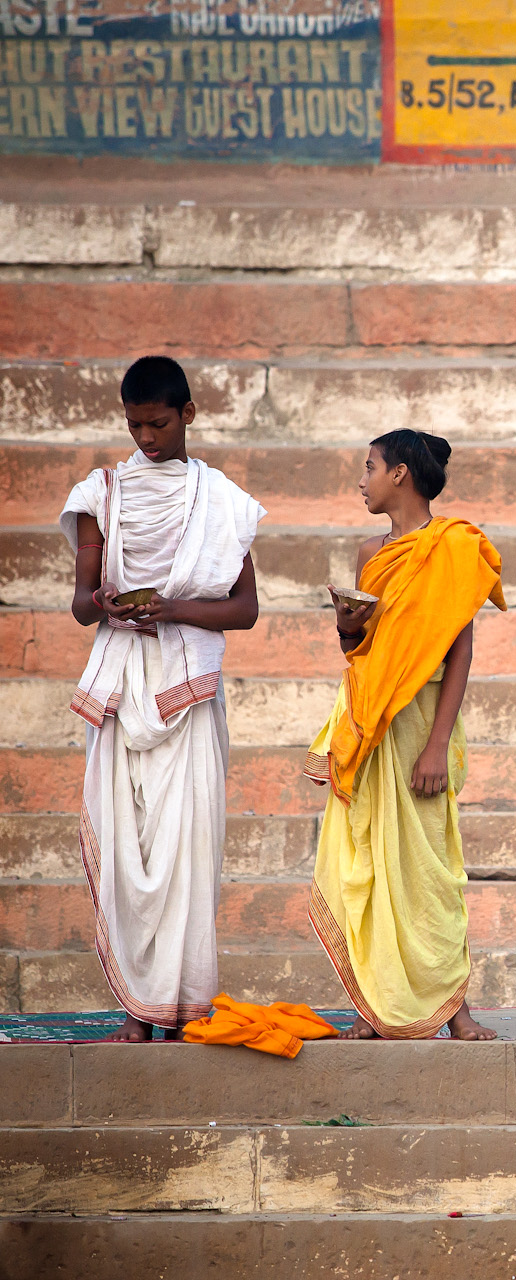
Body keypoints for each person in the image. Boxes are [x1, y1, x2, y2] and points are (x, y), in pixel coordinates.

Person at [61, 356, 265, 1042]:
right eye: (135, 425)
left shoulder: (223, 503)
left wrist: (174, 608)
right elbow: (82, 604)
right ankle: (137, 1013)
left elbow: (244, 610)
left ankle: (179, 1007)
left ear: (188, 416)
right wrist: (102, 600)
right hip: (123, 689)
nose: (147, 436)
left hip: (188, 693)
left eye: (158, 423)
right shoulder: (102, 493)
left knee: (184, 847)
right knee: (127, 847)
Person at [305, 429, 504, 1041]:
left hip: (421, 723)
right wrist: (346, 627)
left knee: (432, 869)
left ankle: (456, 1010)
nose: (360, 480)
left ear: (400, 475)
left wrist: (438, 743)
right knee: (368, 862)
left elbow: (459, 649)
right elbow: (361, 651)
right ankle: (375, 1007)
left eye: (368, 468)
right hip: (368, 725)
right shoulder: (370, 552)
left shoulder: (453, 548)